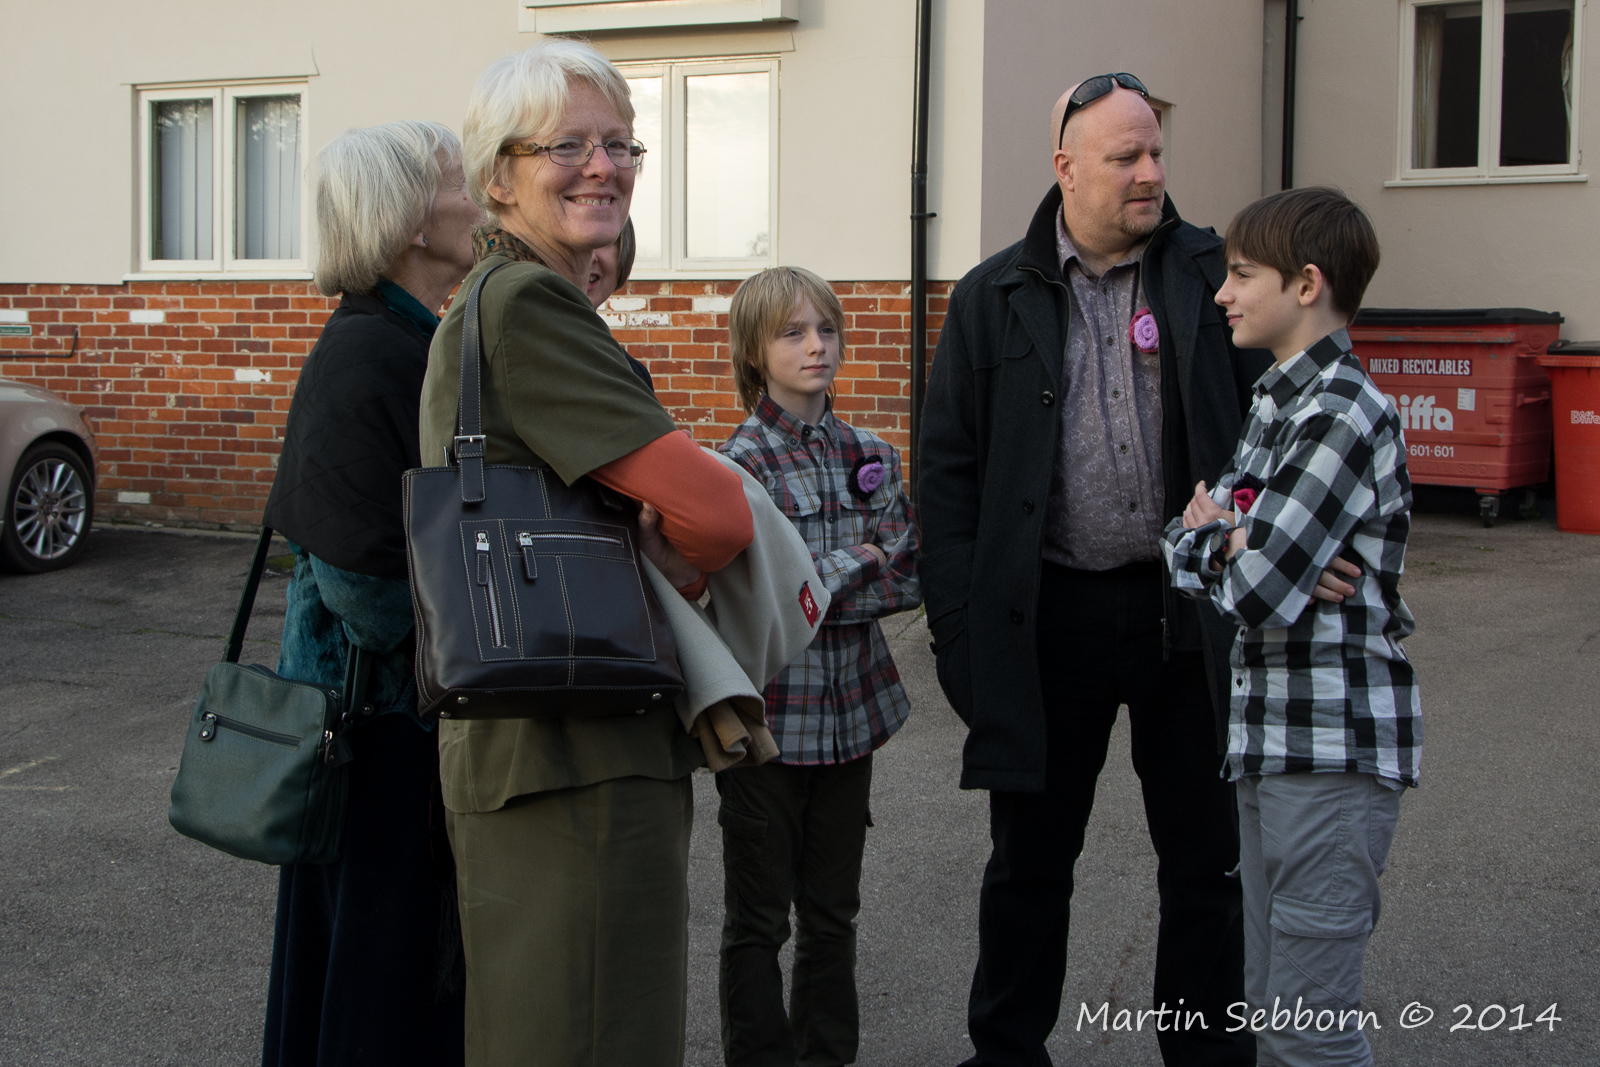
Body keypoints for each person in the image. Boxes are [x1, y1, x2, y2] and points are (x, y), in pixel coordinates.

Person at [918, 74, 1277, 1066]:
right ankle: (1005, 1051)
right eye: (1126, 157)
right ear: (1066, 169)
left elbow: (1285, 419)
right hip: (1049, 620)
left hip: (1189, 616)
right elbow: (946, 477)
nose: (1151, 172)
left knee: (1207, 868)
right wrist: (960, 633)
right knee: (1028, 865)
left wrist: (1293, 539)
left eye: (1156, 151)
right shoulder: (991, 296)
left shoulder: (1215, 274)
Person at [418, 40, 754, 1067]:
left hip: (534, 746)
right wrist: (677, 557)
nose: (603, 166)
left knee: (537, 1028)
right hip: (578, 754)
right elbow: (717, 512)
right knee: (598, 1032)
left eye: (620, 144)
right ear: (497, 177)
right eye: (565, 146)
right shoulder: (529, 302)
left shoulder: (489, 296)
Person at [1164, 187, 1420, 1067]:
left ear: (1306, 284)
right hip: (1270, 747)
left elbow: (1258, 592)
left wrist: (1231, 538)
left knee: (1310, 1035)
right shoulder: (1277, 405)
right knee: (1271, 1021)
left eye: (1242, 274)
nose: (1222, 293)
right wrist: (1232, 539)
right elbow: (1182, 545)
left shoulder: (1339, 413)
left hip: (1327, 756)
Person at [258, 120, 483, 1066]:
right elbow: (365, 589)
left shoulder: (408, 340)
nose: (478, 200)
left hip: (388, 728)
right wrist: (479, 646)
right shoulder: (369, 354)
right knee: (375, 986)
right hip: (374, 737)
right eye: (459, 184)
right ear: (412, 224)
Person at [715, 266, 921, 1067]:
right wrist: (859, 559)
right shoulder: (738, 466)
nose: (816, 346)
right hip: (767, 728)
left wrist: (815, 578)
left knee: (833, 913)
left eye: (826, 329)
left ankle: (826, 1054)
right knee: (759, 919)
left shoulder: (873, 453)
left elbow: (908, 578)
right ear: (754, 351)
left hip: (851, 720)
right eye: (793, 332)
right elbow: (763, 600)